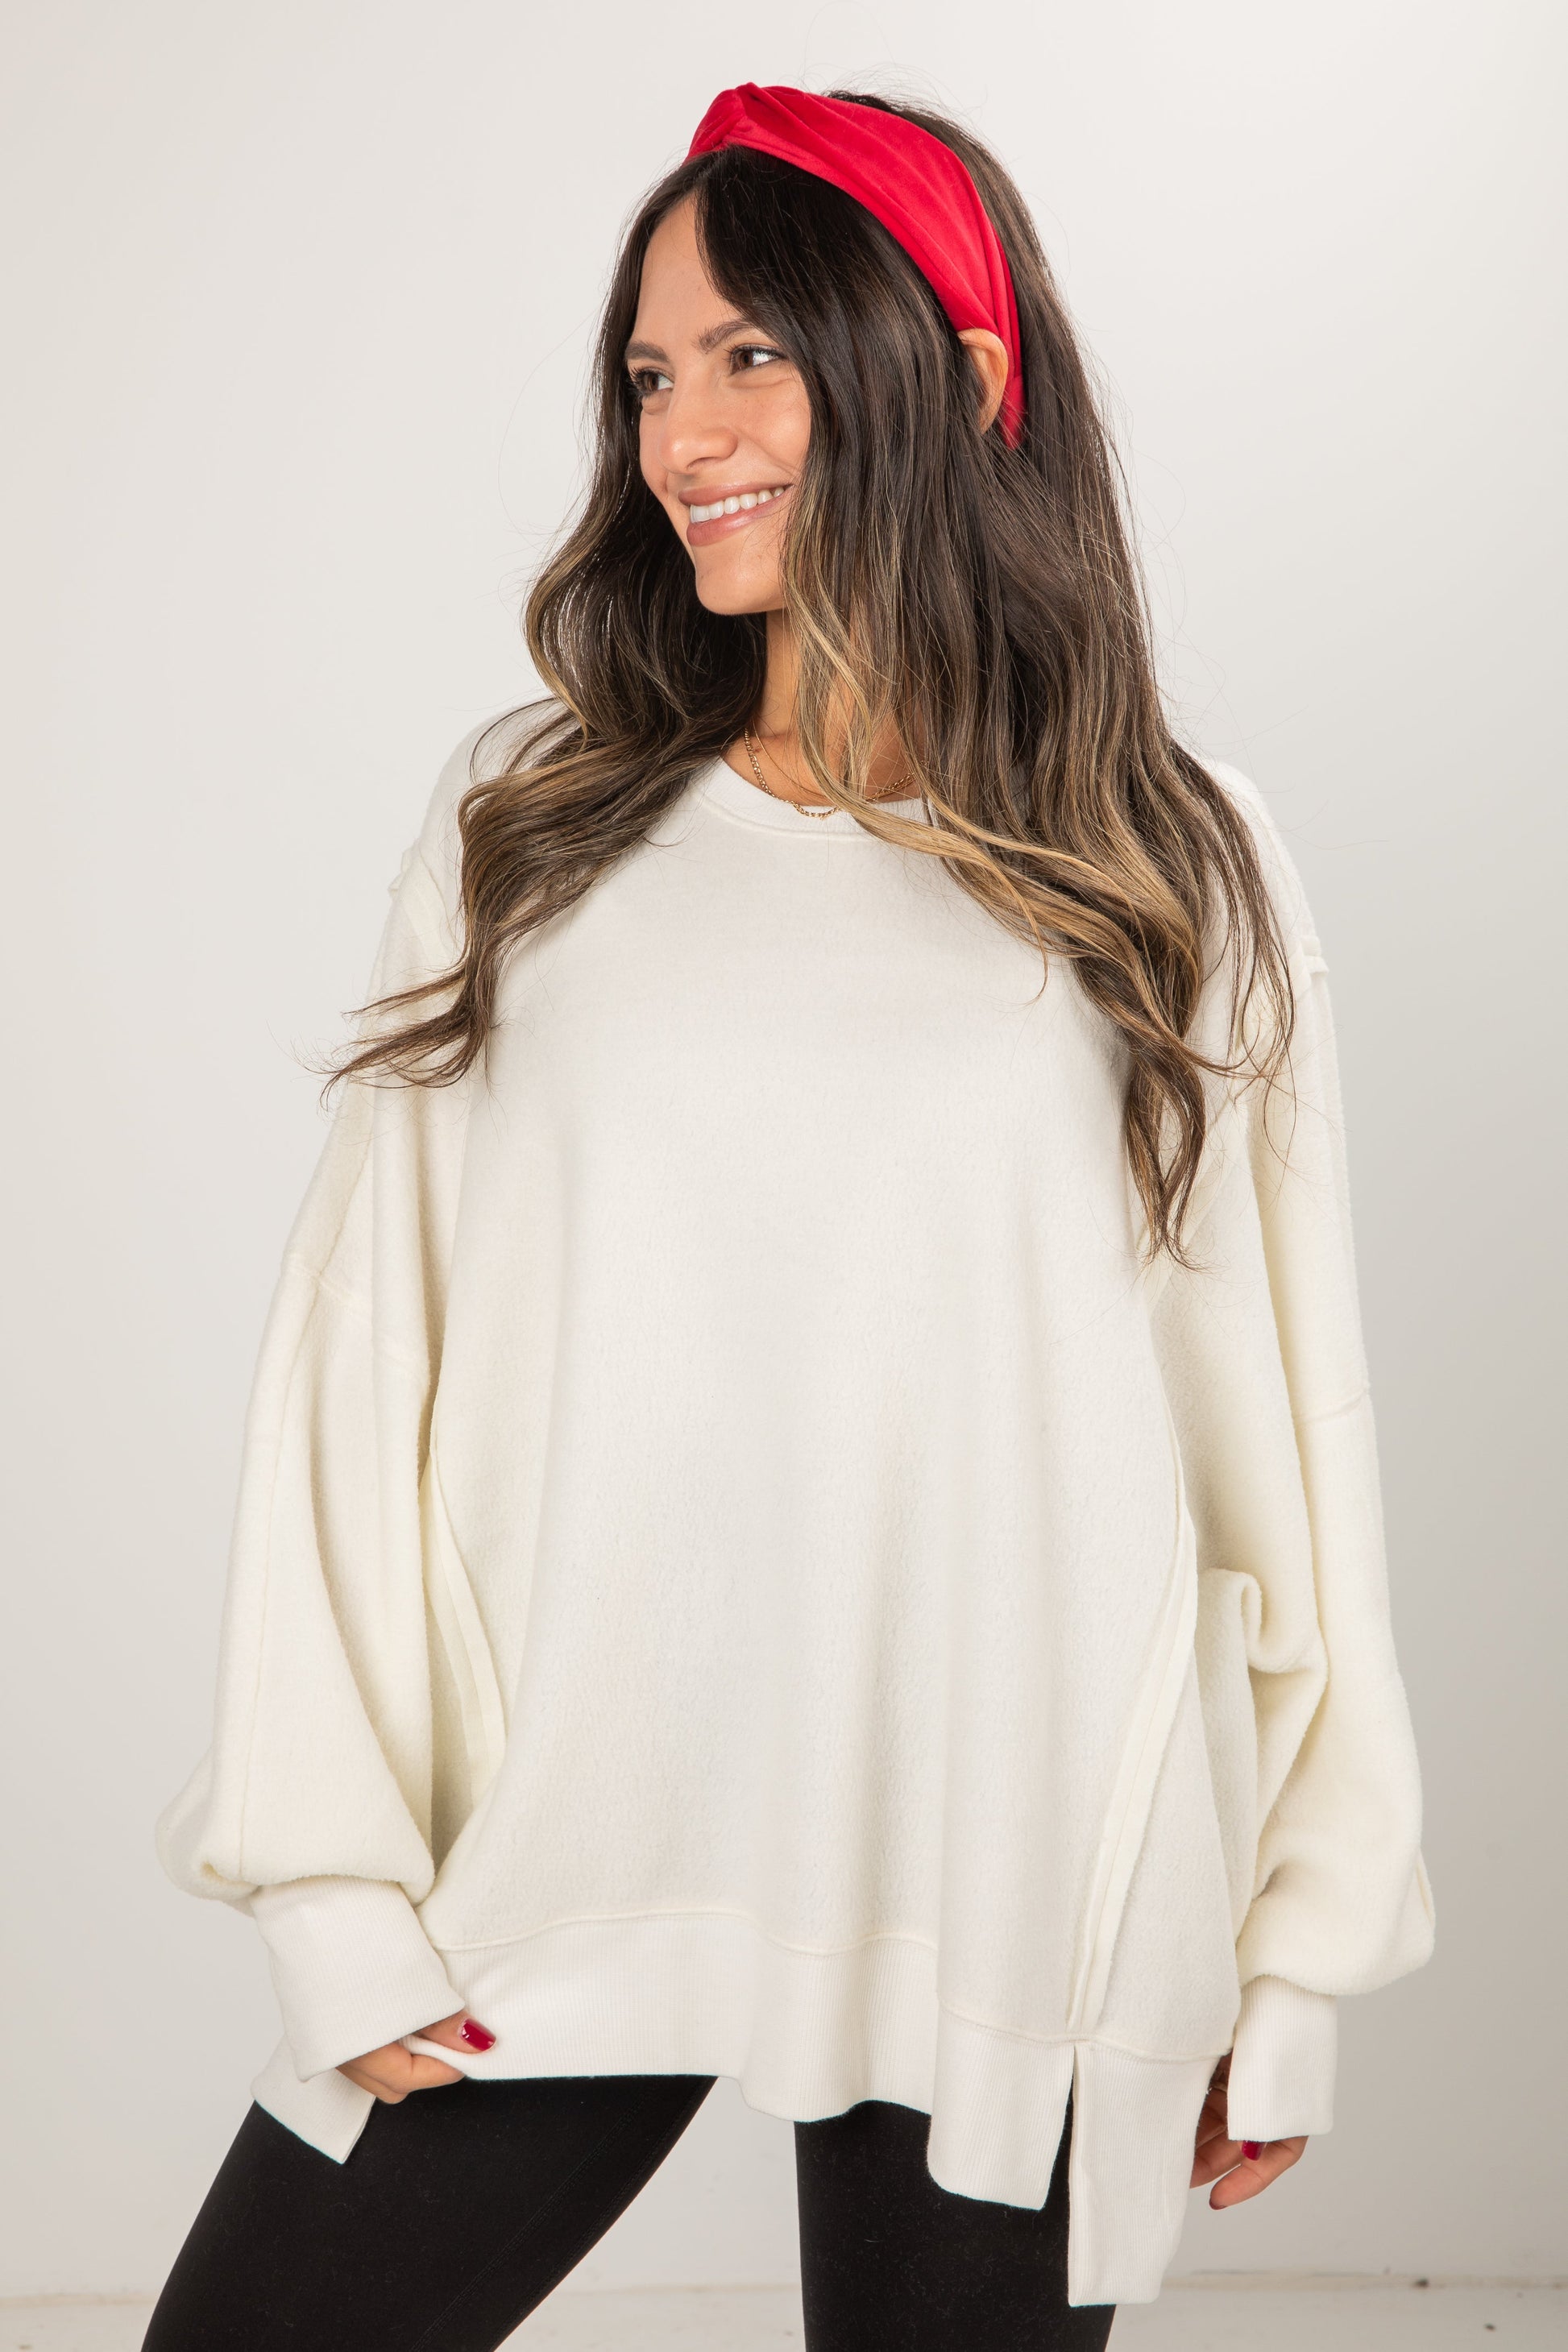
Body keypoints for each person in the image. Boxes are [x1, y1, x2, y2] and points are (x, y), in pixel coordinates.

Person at [144, 83, 1434, 2352]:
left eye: (753, 355)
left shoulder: (1171, 859)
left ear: (955, 373)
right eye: (653, 373)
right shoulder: (531, 825)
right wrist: (329, 1876)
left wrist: (1291, 1950)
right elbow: (357, 1364)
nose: (684, 434)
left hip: (1014, 1876)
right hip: (574, 1844)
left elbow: (1280, 1429)